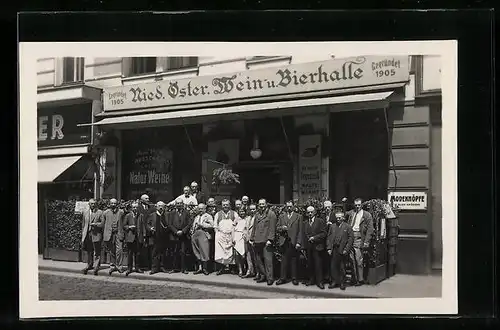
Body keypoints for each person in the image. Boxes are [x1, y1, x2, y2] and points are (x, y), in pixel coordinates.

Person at [346, 198, 374, 286]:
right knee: (351, 259)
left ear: (361, 205)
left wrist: (366, 241)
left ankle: (360, 279)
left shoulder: (366, 215)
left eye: (359, 205)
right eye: (356, 205)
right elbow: (342, 213)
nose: (357, 207)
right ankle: (354, 279)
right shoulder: (351, 213)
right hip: (350, 237)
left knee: (358, 259)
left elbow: (370, 229)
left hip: (359, 237)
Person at [250, 199, 277, 286]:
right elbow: (254, 227)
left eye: (263, 204)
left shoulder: (271, 214)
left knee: (268, 260)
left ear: (266, 204)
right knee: (258, 260)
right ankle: (263, 275)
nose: (261, 205)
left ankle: (270, 278)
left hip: (266, 241)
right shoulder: (257, 214)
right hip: (257, 240)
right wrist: (252, 238)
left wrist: (270, 239)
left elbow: (273, 228)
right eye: (260, 204)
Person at [275, 200, 303, 286]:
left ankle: (294, 278)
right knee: (284, 260)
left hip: (294, 241)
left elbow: (300, 231)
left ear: (294, 206)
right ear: (285, 207)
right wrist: (282, 228)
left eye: (291, 206)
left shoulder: (298, 216)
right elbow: (277, 228)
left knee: (294, 260)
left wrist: (299, 242)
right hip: (284, 241)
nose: (289, 208)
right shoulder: (282, 216)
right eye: (288, 206)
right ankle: (283, 278)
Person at [326, 210, 354, 290]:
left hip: (342, 249)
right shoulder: (332, 226)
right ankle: (334, 281)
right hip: (334, 249)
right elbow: (328, 238)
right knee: (333, 266)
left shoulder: (347, 227)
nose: (338, 219)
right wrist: (328, 248)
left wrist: (346, 249)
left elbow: (350, 239)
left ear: (343, 218)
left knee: (342, 267)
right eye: (337, 218)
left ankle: (342, 282)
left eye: (339, 218)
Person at [302, 206, 327, 289]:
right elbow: (303, 235)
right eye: (308, 212)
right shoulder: (305, 223)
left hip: (318, 246)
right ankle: (311, 280)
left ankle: (320, 282)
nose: (310, 214)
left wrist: (314, 238)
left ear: (315, 212)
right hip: (308, 247)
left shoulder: (320, 221)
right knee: (310, 264)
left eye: (311, 212)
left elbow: (324, 233)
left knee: (318, 264)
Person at [167, 198, 192, 273]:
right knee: (174, 252)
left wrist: (183, 231)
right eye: (177, 203)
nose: (179, 205)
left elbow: (189, 223)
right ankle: (174, 268)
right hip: (174, 236)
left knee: (183, 252)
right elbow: (169, 224)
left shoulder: (187, 212)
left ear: (183, 204)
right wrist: (176, 231)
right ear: (175, 204)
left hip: (183, 236)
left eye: (180, 203)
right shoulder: (172, 213)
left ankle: (183, 269)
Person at [81, 199, 104, 275]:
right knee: (89, 250)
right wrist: (83, 235)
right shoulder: (85, 212)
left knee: (97, 251)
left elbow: (103, 224)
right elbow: (83, 225)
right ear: (89, 204)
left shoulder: (100, 212)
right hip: (88, 234)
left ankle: (96, 266)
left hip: (96, 234)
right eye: (91, 204)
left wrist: (96, 224)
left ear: (96, 204)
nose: (93, 205)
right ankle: (89, 264)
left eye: (94, 203)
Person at [102, 198, 125, 275]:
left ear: (117, 204)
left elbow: (124, 222)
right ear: (109, 204)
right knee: (111, 251)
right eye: (112, 203)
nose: (113, 205)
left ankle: (119, 266)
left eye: (114, 203)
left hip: (118, 233)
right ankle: (112, 266)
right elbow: (103, 224)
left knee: (119, 250)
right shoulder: (105, 213)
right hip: (110, 234)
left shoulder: (121, 212)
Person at [213, 199, 237, 275]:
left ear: (229, 205)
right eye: (224, 205)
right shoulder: (218, 214)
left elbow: (237, 224)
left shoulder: (234, 213)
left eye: (227, 205)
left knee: (231, 252)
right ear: (221, 205)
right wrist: (218, 234)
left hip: (231, 235)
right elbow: (215, 226)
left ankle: (232, 268)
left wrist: (234, 236)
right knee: (221, 252)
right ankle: (221, 268)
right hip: (221, 236)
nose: (225, 206)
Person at [123, 202, 146, 276]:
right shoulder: (128, 215)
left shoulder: (141, 216)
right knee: (130, 253)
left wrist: (144, 236)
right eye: (133, 207)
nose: (135, 209)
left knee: (138, 253)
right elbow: (124, 226)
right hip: (130, 237)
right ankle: (129, 268)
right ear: (131, 208)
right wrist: (129, 227)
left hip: (138, 237)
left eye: (136, 207)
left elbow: (143, 226)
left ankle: (137, 267)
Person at [190, 203, 214, 275]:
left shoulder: (208, 216)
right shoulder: (196, 217)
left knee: (204, 251)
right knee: (197, 251)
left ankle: (205, 268)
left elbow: (212, 225)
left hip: (203, 234)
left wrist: (202, 225)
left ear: (205, 209)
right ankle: (199, 268)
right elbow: (194, 225)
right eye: (199, 209)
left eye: (202, 209)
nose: (200, 210)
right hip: (195, 235)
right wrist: (192, 231)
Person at [148, 201, 169, 275]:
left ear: (164, 207)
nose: (160, 207)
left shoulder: (166, 215)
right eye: (159, 206)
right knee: (154, 253)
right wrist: (150, 228)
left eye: (162, 206)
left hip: (163, 237)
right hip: (155, 237)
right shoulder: (152, 215)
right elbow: (147, 224)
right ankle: (154, 268)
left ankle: (162, 267)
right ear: (156, 207)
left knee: (163, 253)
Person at [139, 194, 154, 271]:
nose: (148, 200)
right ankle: (141, 266)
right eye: (146, 198)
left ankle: (150, 266)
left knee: (150, 249)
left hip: (149, 232)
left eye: (148, 198)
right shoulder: (138, 208)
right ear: (142, 200)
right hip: (141, 231)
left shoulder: (151, 208)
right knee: (141, 249)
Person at [243, 204, 257, 278]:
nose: (252, 211)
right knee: (248, 256)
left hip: (254, 240)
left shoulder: (257, 218)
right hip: (247, 240)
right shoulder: (247, 218)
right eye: (251, 209)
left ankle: (257, 272)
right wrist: (244, 235)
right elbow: (245, 228)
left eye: (253, 209)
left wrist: (253, 239)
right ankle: (250, 271)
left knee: (255, 257)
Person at [233, 208, 248, 277]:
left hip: (243, 237)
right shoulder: (236, 219)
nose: (242, 213)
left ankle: (245, 267)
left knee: (243, 255)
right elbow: (233, 229)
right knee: (237, 254)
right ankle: (240, 270)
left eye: (243, 211)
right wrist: (233, 238)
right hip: (236, 236)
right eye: (240, 211)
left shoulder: (247, 218)